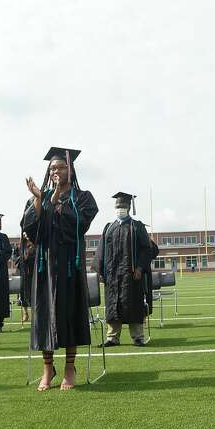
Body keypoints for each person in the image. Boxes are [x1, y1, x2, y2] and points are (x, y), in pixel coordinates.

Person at [21, 147, 98, 391]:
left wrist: (56, 202)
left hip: (68, 267)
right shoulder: (40, 198)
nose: (55, 171)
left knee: (70, 313)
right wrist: (41, 199)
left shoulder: (82, 198)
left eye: (60, 167)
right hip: (44, 268)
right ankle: (47, 369)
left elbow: (79, 225)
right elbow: (31, 229)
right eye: (52, 168)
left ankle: (68, 368)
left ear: (70, 170)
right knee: (44, 316)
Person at [95, 192, 151, 347]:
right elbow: (101, 251)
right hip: (112, 275)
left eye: (123, 206)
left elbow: (146, 249)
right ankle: (112, 337)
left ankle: (138, 337)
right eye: (118, 206)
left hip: (132, 275)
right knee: (113, 306)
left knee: (133, 304)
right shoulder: (109, 228)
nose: (120, 208)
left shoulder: (136, 226)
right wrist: (100, 271)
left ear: (129, 207)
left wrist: (140, 267)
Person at [15, 235, 35, 324]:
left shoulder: (36, 243)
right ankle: (25, 313)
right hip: (23, 272)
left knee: (34, 292)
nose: (26, 235)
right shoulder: (20, 246)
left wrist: (29, 258)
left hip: (34, 271)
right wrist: (22, 259)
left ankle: (34, 314)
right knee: (23, 292)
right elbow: (14, 257)